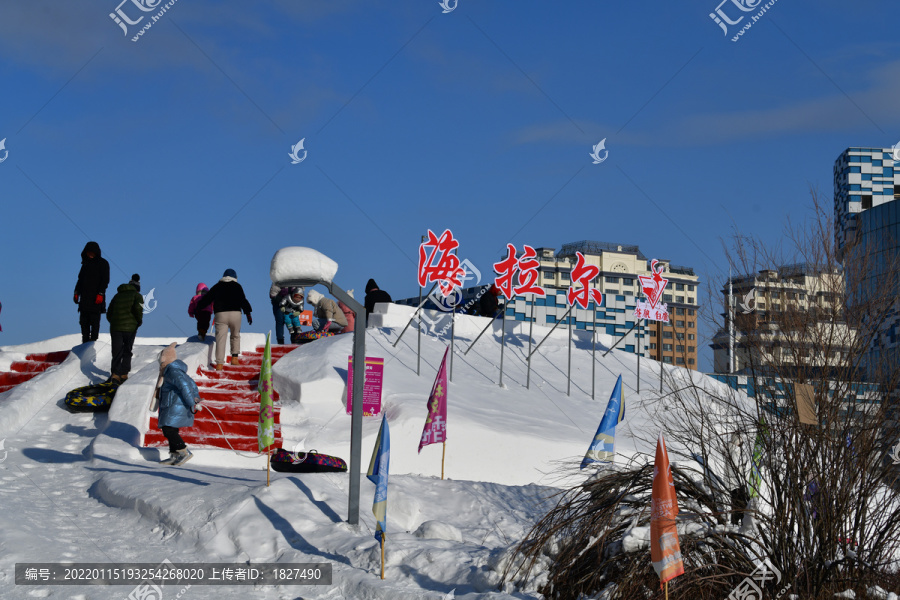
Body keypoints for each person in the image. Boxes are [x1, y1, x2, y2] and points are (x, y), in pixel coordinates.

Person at [196, 269, 252, 370]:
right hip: (235, 314)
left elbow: (207, 298)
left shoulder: (217, 286)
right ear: (235, 277)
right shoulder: (237, 286)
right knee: (235, 335)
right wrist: (248, 314)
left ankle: (219, 364)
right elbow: (243, 300)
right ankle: (234, 359)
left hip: (220, 315)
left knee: (220, 339)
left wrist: (198, 307)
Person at [156, 345, 201, 466]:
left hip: (174, 405)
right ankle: (174, 454)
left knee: (168, 429)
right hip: (172, 404)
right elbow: (192, 384)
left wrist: (192, 402)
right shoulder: (172, 371)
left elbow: (185, 386)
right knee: (171, 428)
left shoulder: (173, 371)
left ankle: (184, 451)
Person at [106, 274, 144, 384]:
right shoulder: (137, 296)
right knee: (127, 350)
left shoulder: (116, 296)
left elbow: (109, 312)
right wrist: (139, 321)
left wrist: (114, 322)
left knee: (116, 350)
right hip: (130, 328)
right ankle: (124, 373)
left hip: (116, 328)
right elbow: (138, 310)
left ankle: (115, 374)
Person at [74, 241, 110, 343]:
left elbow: (105, 280)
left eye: (92, 252)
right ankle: (85, 342)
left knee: (94, 321)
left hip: (96, 299)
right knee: (83, 322)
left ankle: (93, 342)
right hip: (84, 299)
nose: (90, 255)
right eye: (88, 252)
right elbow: (80, 280)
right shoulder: (85, 264)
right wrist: (76, 292)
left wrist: (100, 293)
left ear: (96, 252)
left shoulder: (103, 263)